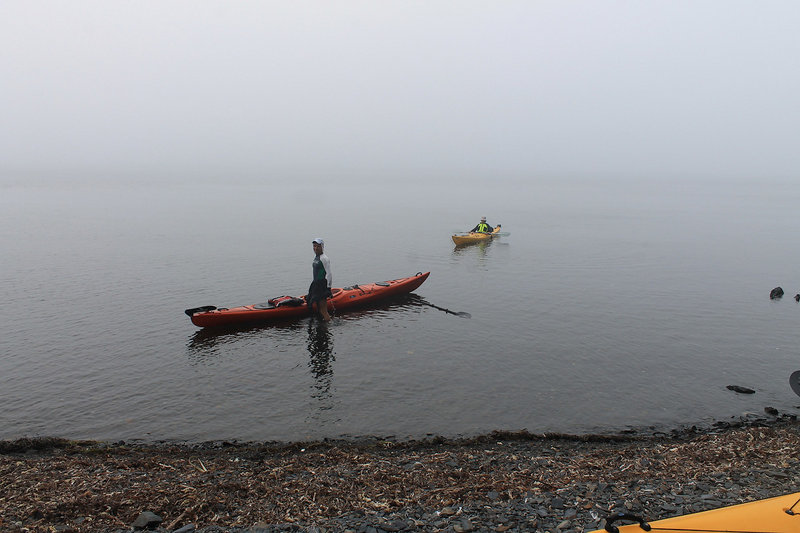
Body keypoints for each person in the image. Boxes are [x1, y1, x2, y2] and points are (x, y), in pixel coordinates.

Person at [308, 238, 332, 321]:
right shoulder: (316, 257)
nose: (315, 248)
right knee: (317, 307)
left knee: (323, 309)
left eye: (318, 246)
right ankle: (321, 324)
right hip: (316, 284)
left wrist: (328, 288)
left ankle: (327, 326)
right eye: (314, 246)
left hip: (322, 285)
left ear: (322, 247)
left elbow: (329, 274)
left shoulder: (324, 258)